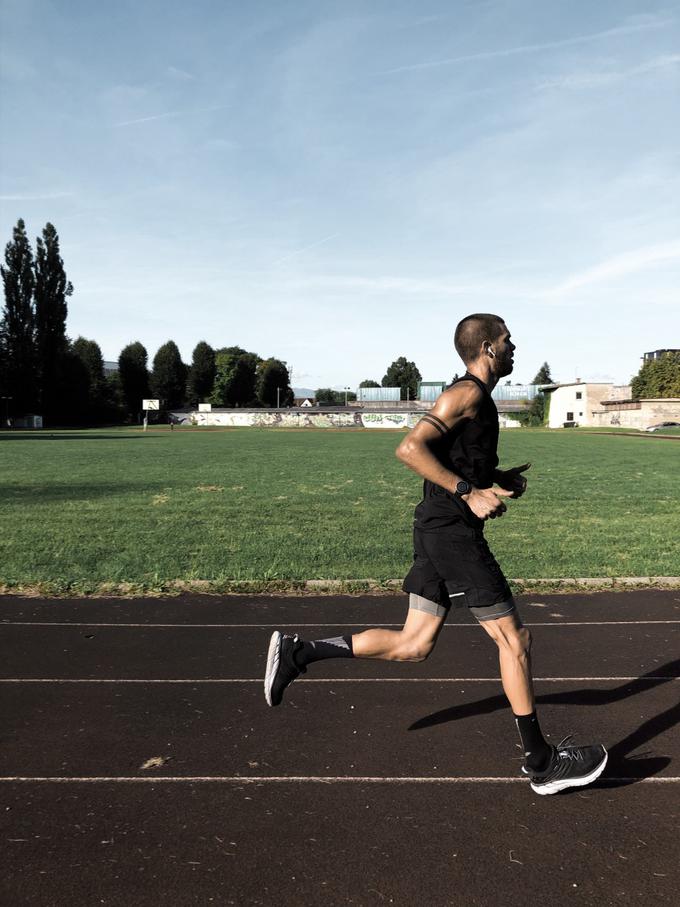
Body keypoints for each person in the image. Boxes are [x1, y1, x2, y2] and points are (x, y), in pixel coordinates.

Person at [264, 313, 607, 795]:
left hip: (436, 530)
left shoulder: (477, 400)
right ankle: (542, 763)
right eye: (508, 341)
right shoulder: (465, 394)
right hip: (452, 535)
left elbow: (452, 458)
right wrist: (468, 491)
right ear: (488, 348)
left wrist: (496, 479)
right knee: (515, 642)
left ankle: (298, 654)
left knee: (414, 644)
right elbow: (410, 449)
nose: (514, 348)